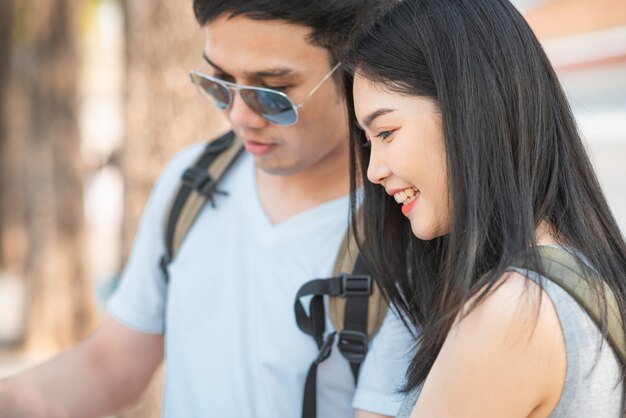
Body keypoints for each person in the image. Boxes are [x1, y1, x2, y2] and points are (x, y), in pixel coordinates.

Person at [0, 1, 413, 417]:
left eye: (270, 92)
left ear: (357, 72)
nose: (239, 116)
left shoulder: (402, 230)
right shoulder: (191, 182)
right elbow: (110, 364)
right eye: (220, 82)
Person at [344, 0, 626, 416]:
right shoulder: (580, 275)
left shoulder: (511, 313)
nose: (373, 171)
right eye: (369, 141)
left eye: (386, 131)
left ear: (468, 108)